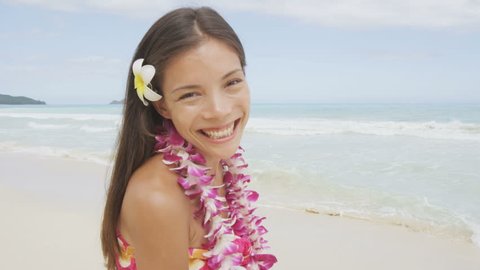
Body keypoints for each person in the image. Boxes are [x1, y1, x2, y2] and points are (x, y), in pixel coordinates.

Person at [100, 6, 277, 270]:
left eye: (232, 83)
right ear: (163, 106)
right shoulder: (157, 198)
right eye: (190, 94)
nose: (219, 110)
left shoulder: (219, 166)